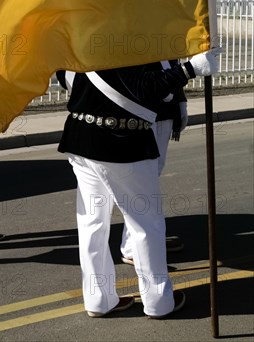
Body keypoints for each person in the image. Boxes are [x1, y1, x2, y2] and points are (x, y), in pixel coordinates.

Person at [57, 50, 219, 318]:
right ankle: (158, 302)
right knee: (145, 224)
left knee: (92, 223)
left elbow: (64, 77)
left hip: (81, 134)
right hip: (121, 139)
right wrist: (190, 69)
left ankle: (99, 299)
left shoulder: (80, 32)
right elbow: (144, 88)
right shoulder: (124, 35)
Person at [120, 59, 187, 265]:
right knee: (142, 182)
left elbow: (171, 67)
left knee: (151, 176)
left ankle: (146, 239)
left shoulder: (164, 39)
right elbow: (145, 81)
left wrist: (181, 102)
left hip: (164, 115)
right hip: (145, 115)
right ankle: (133, 246)